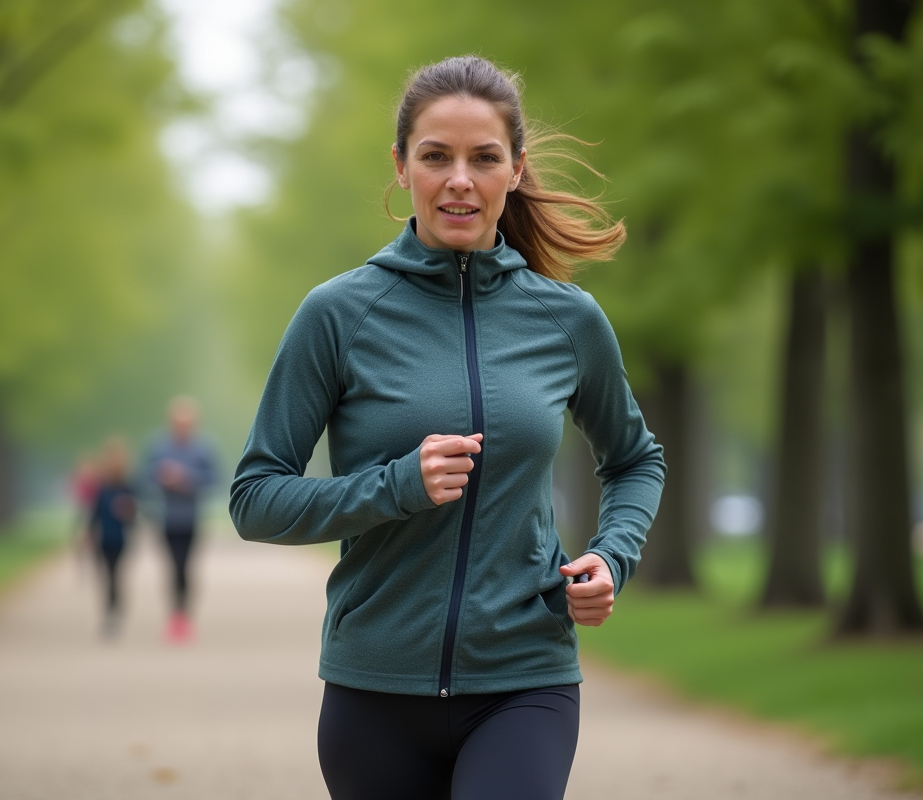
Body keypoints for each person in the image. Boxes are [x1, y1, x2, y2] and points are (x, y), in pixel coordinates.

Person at [230, 55, 666, 800]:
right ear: (402, 167)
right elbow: (255, 498)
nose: (459, 179)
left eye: (483, 158)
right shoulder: (337, 315)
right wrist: (397, 485)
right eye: (436, 157)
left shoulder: (566, 321)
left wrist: (610, 558)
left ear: (516, 169)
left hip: (524, 681)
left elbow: (635, 460)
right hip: (374, 690)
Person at [145, 396, 218, 643]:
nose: (182, 427)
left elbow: (215, 479)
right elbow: (143, 477)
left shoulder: (203, 448)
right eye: (178, 423)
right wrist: (162, 477)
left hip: (191, 519)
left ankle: (184, 616)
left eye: (187, 423)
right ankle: (175, 615)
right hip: (166, 518)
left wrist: (187, 479)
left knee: (186, 568)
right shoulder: (159, 446)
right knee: (172, 567)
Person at [87, 437, 138, 637]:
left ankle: (115, 611)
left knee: (116, 576)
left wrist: (128, 511)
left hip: (121, 539)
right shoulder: (102, 487)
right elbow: (94, 512)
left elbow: (134, 514)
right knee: (107, 576)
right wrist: (89, 533)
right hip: (103, 539)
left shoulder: (128, 485)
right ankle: (110, 612)